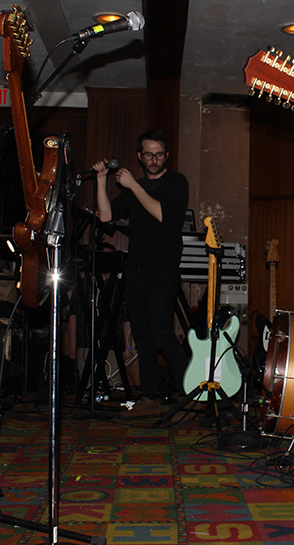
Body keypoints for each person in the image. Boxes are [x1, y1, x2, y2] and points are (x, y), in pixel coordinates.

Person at [91, 130, 189, 417]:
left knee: (162, 332)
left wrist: (133, 185)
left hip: (163, 266)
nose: (154, 159)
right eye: (148, 154)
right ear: (139, 156)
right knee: (142, 335)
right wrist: (101, 181)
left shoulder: (175, 182)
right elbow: (106, 216)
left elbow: (161, 214)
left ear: (166, 155)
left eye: (158, 154)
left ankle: (191, 394)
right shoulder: (136, 188)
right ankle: (150, 397)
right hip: (136, 267)